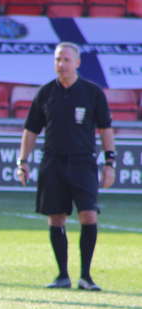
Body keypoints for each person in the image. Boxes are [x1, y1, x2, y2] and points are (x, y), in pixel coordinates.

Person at [18, 41, 115, 291]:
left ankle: (86, 276)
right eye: (58, 59)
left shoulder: (92, 93)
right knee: (56, 218)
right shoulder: (46, 92)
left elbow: (105, 129)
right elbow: (31, 130)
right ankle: (62, 275)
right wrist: (23, 161)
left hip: (83, 162)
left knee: (89, 214)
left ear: (77, 63)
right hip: (53, 163)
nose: (61, 64)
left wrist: (109, 163)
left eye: (66, 60)